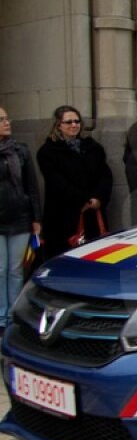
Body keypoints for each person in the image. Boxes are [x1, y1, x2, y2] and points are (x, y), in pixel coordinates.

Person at [36, 106, 112, 260]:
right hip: (63, 214)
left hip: (93, 212)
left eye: (77, 121)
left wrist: (98, 198)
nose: (74, 125)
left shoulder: (93, 148)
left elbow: (105, 175)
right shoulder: (47, 151)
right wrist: (84, 199)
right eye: (68, 122)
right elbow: (56, 182)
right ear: (58, 125)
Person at [0, 106, 41, 329]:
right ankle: (1, 315)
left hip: (20, 217)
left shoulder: (20, 150)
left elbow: (32, 187)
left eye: (7, 118)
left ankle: (13, 313)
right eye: (1, 120)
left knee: (16, 268)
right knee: (0, 268)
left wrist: (36, 218)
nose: (7, 123)